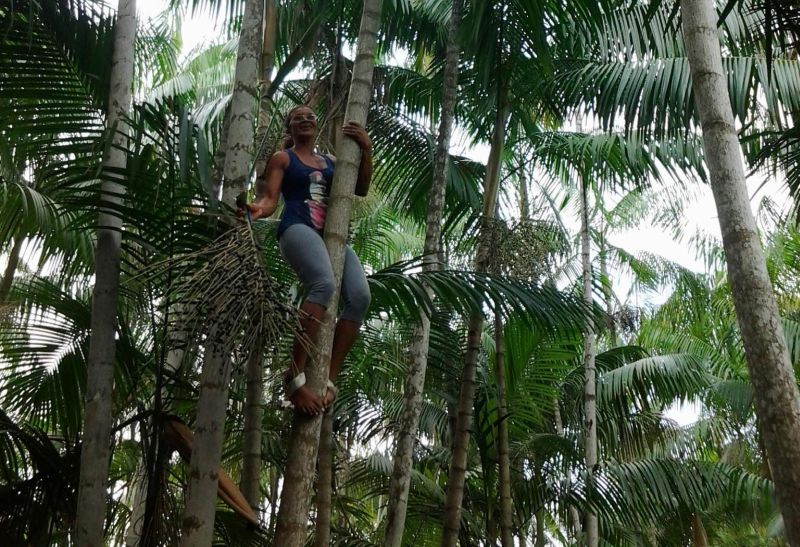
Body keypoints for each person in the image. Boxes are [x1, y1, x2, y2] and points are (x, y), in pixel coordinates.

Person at [245, 105, 373, 415]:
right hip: (297, 228)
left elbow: (361, 187)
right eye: (297, 117)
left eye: (310, 117)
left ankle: (329, 377)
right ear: (289, 127)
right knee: (323, 284)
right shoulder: (283, 158)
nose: (304, 120)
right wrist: (256, 209)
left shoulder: (331, 161)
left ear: (317, 126)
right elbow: (270, 200)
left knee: (359, 297)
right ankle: (293, 375)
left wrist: (366, 149)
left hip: (331, 236)